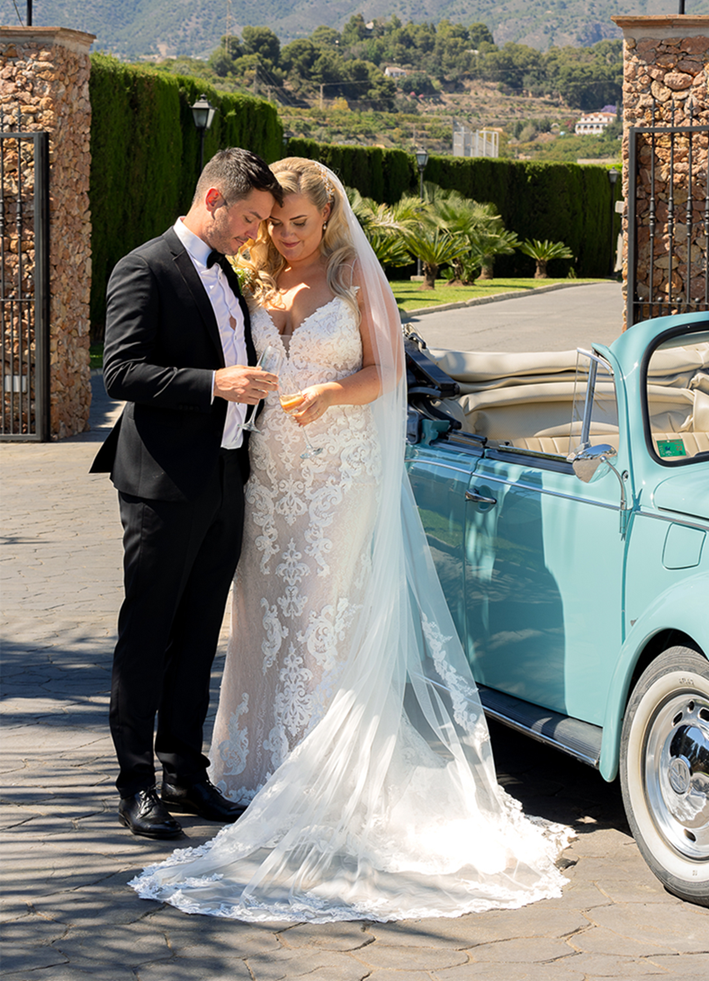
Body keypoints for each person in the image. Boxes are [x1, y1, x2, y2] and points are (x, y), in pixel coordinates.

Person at [130, 158, 572, 921]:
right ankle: (254, 767)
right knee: (263, 617)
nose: (285, 235)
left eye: (299, 222)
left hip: (337, 475)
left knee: (322, 612)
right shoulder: (250, 283)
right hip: (264, 475)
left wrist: (333, 390)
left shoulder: (353, 279)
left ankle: (326, 775)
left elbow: (386, 373)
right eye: (274, 223)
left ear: (330, 218)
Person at [91, 148, 283, 840]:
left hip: (227, 479)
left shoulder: (225, 273)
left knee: (200, 632)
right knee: (149, 633)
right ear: (212, 201)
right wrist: (213, 384)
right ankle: (135, 783)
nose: (253, 233)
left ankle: (183, 769)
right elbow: (121, 370)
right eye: (249, 218)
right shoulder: (142, 267)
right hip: (163, 485)